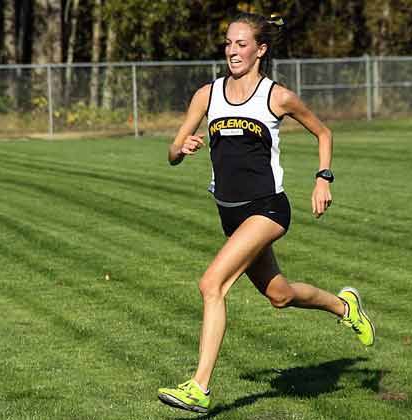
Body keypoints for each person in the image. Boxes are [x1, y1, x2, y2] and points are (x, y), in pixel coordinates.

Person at [157, 12, 375, 414]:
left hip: (268, 210)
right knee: (280, 295)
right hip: (230, 215)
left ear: (260, 50)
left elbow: (323, 132)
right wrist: (181, 148)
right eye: (227, 43)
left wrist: (323, 178)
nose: (232, 51)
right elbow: (171, 153)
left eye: (241, 44)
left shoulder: (277, 96)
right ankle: (345, 307)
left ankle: (199, 387)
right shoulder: (207, 95)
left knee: (212, 285)